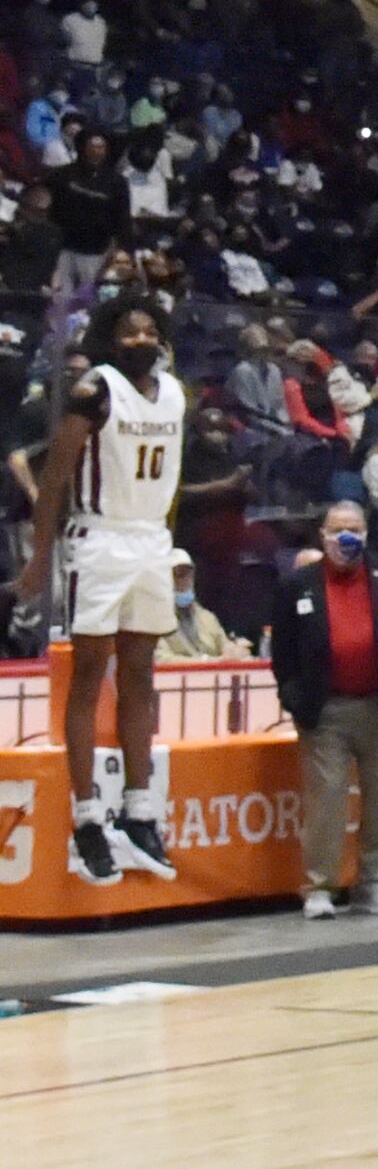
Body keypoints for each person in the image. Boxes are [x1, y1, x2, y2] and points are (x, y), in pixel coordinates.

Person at [15, 298, 196, 882]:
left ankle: (139, 811)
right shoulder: (95, 389)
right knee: (91, 676)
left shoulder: (174, 393)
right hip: (98, 539)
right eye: (129, 329)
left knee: (142, 673)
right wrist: (40, 561)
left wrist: (168, 546)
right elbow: (55, 479)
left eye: (149, 329)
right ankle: (87, 816)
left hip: (149, 540)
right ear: (110, 338)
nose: (141, 337)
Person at [266, 500, 378, 918]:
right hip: (325, 712)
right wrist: (293, 697)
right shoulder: (299, 585)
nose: (348, 537)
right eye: (339, 529)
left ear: (365, 534)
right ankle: (321, 888)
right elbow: (283, 652)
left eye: (356, 529)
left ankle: (373, 883)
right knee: (326, 799)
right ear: (323, 535)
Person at [157, 548, 241, 658]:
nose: (184, 580)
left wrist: (234, 650)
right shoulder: (156, 621)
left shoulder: (207, 618)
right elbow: (161, 658)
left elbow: (225, 647)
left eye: (187, 574)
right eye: (177, 574)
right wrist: (207, 662)